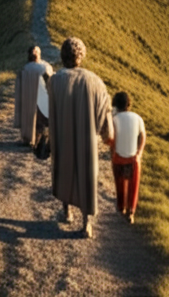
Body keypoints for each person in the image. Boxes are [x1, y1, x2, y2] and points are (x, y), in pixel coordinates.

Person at [47, 37, 114, 238]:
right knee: (87, 177)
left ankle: (66, 211)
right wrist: (106, 135)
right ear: (81, 56)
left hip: (62, 135)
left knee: (64, 170)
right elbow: (105, 112)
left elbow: (49, 108)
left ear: (62, 55)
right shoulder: (95, 81)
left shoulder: (55, 81)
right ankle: (86, 224)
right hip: (87, 140)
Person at [110, 91, 146, 224]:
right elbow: (143, 136)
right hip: (133, 159)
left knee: (120, 183)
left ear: (115, 105)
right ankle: (131, 212)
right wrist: (139, 153)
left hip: (118, 157)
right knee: (133, 185)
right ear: (129, 104)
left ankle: (121, 207)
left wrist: (113, 152)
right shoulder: (137, 118)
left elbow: (111, 138)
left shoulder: (114, 119)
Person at [13, 46, 54, 146]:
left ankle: (32, 139)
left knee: (35, 121)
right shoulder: (45, 67)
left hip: (32, 99)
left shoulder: (26, 69)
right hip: (42, 99)